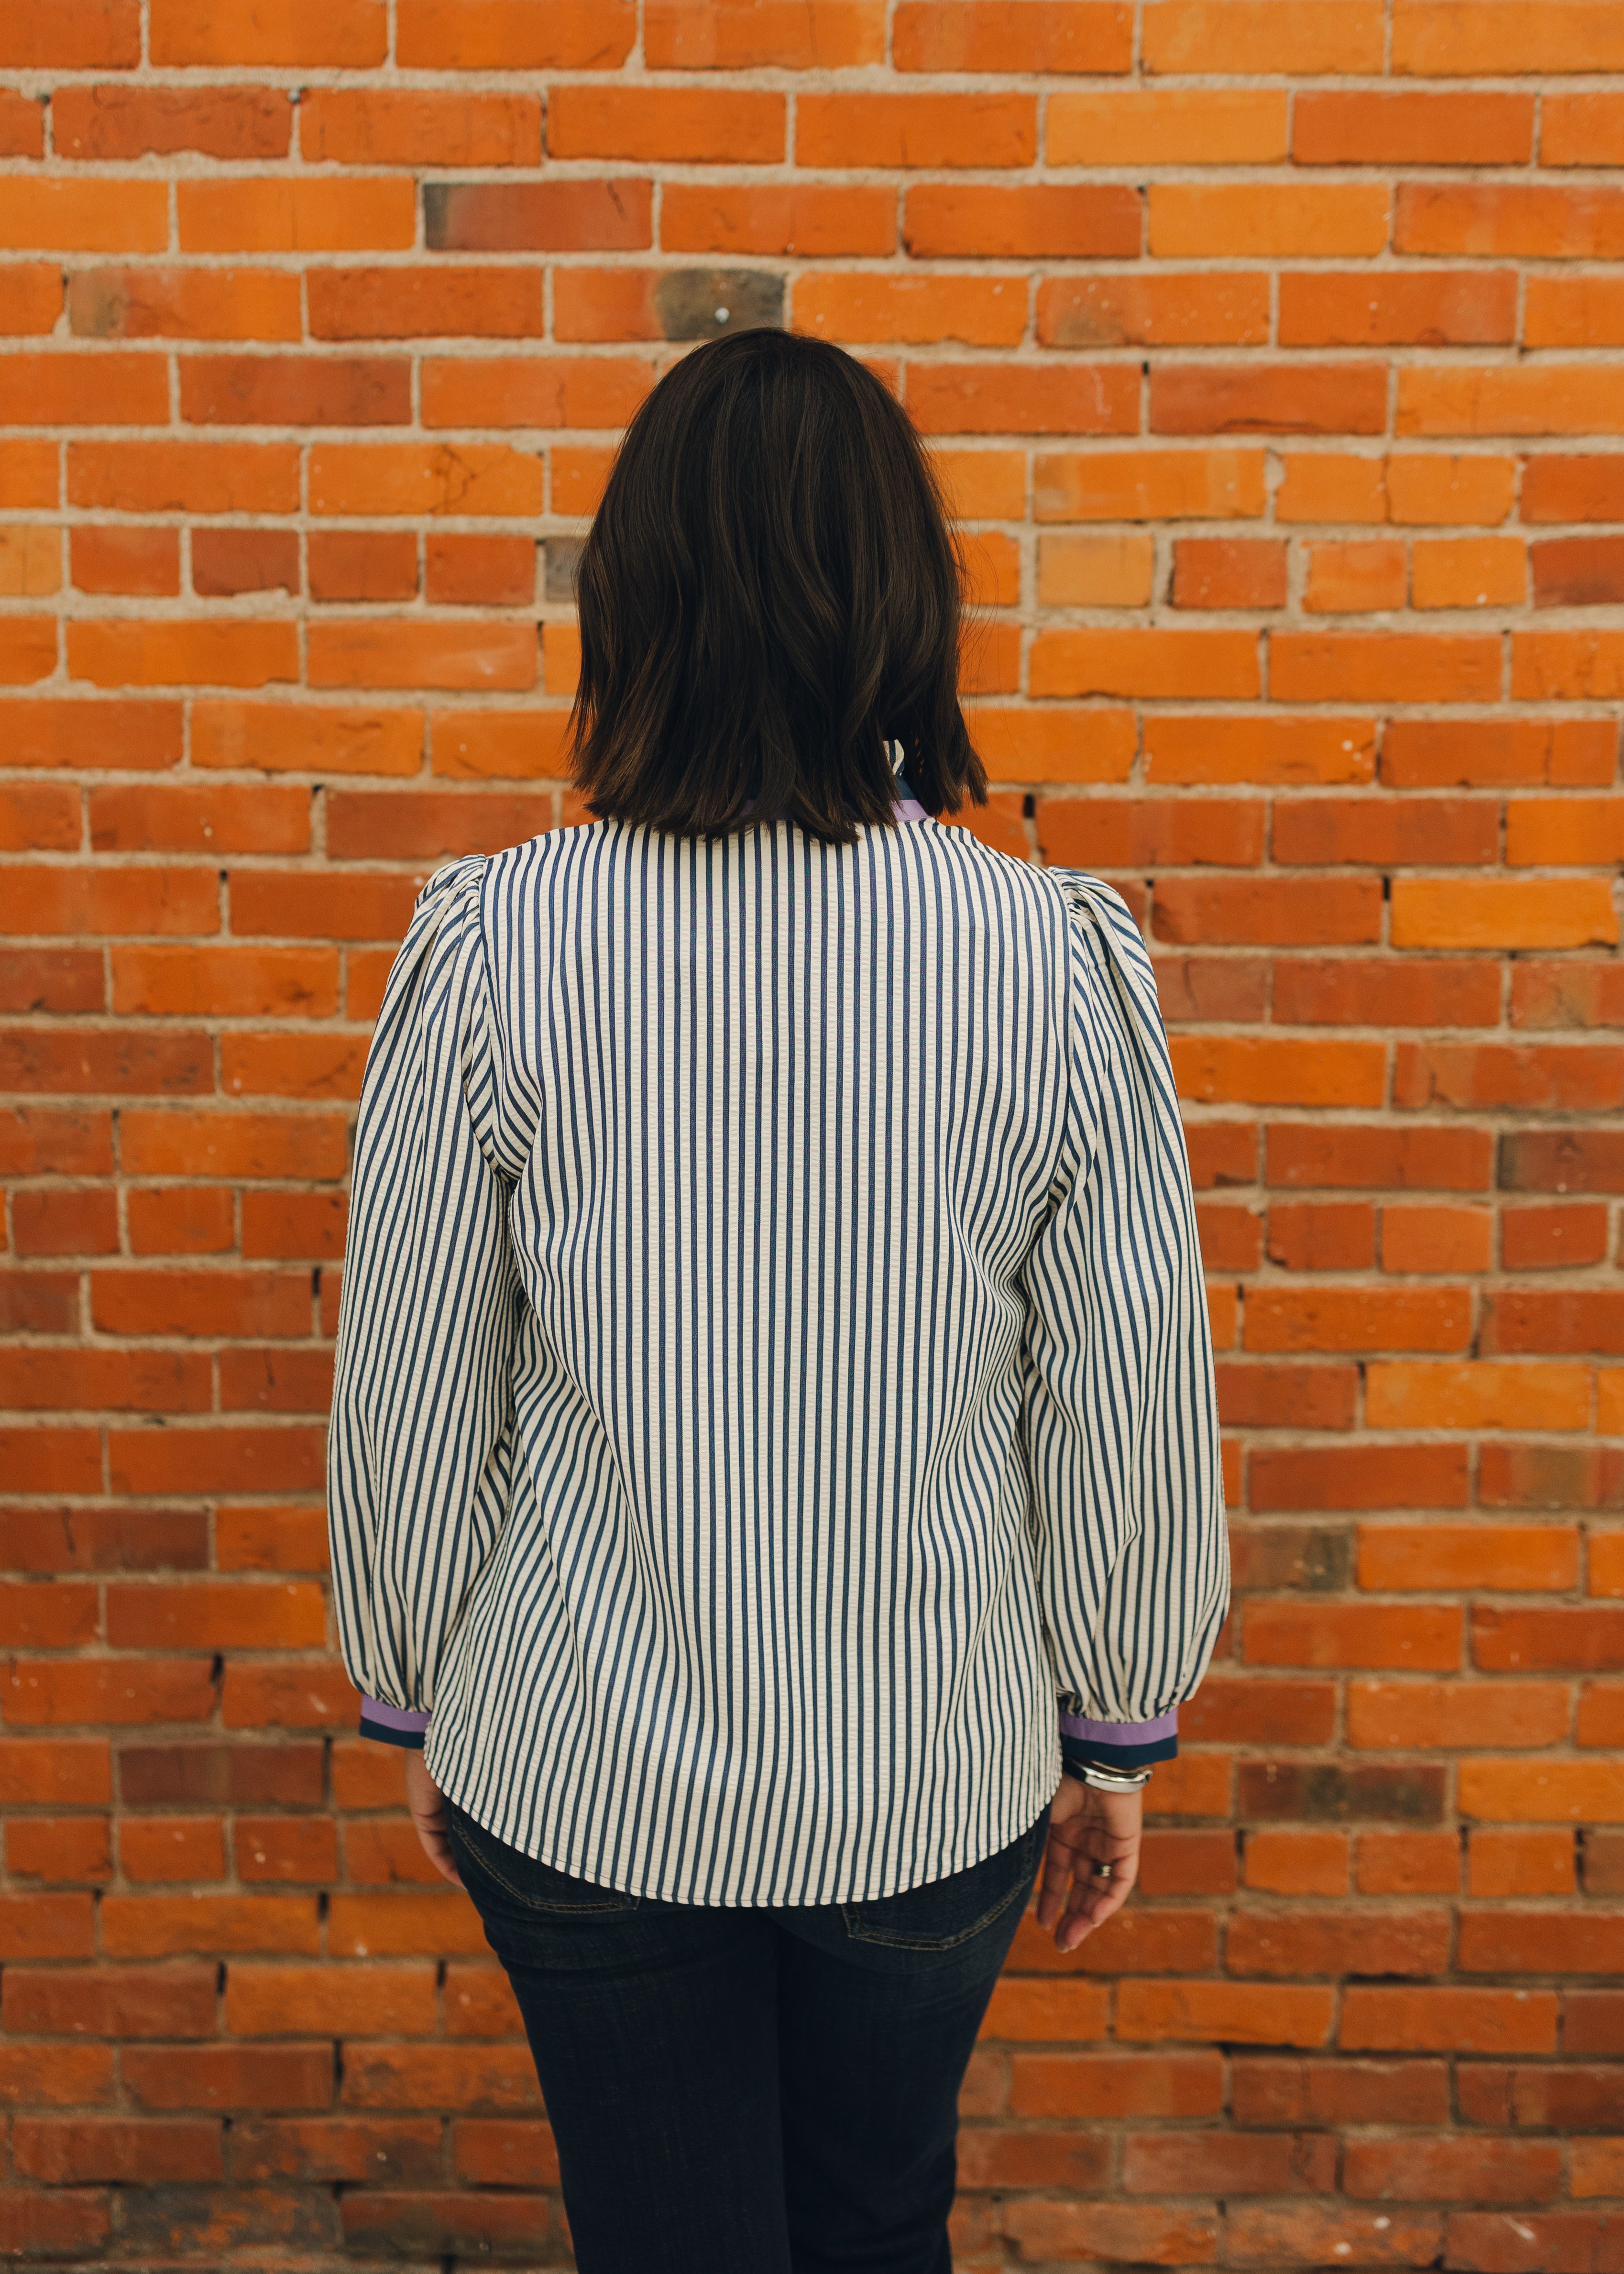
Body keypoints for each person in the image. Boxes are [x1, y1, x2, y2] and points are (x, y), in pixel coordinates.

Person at [327, 328, 1229, 2274]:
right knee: (882, 2210)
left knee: (660, 2236)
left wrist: (409, 1683)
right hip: (929, 1781)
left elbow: (406, 1380)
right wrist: (1118, 1726)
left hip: (576, 1769)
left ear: (636, 603)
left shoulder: (494, 947)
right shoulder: (1049, 957)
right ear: (906, 606)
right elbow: (1127, 1396)